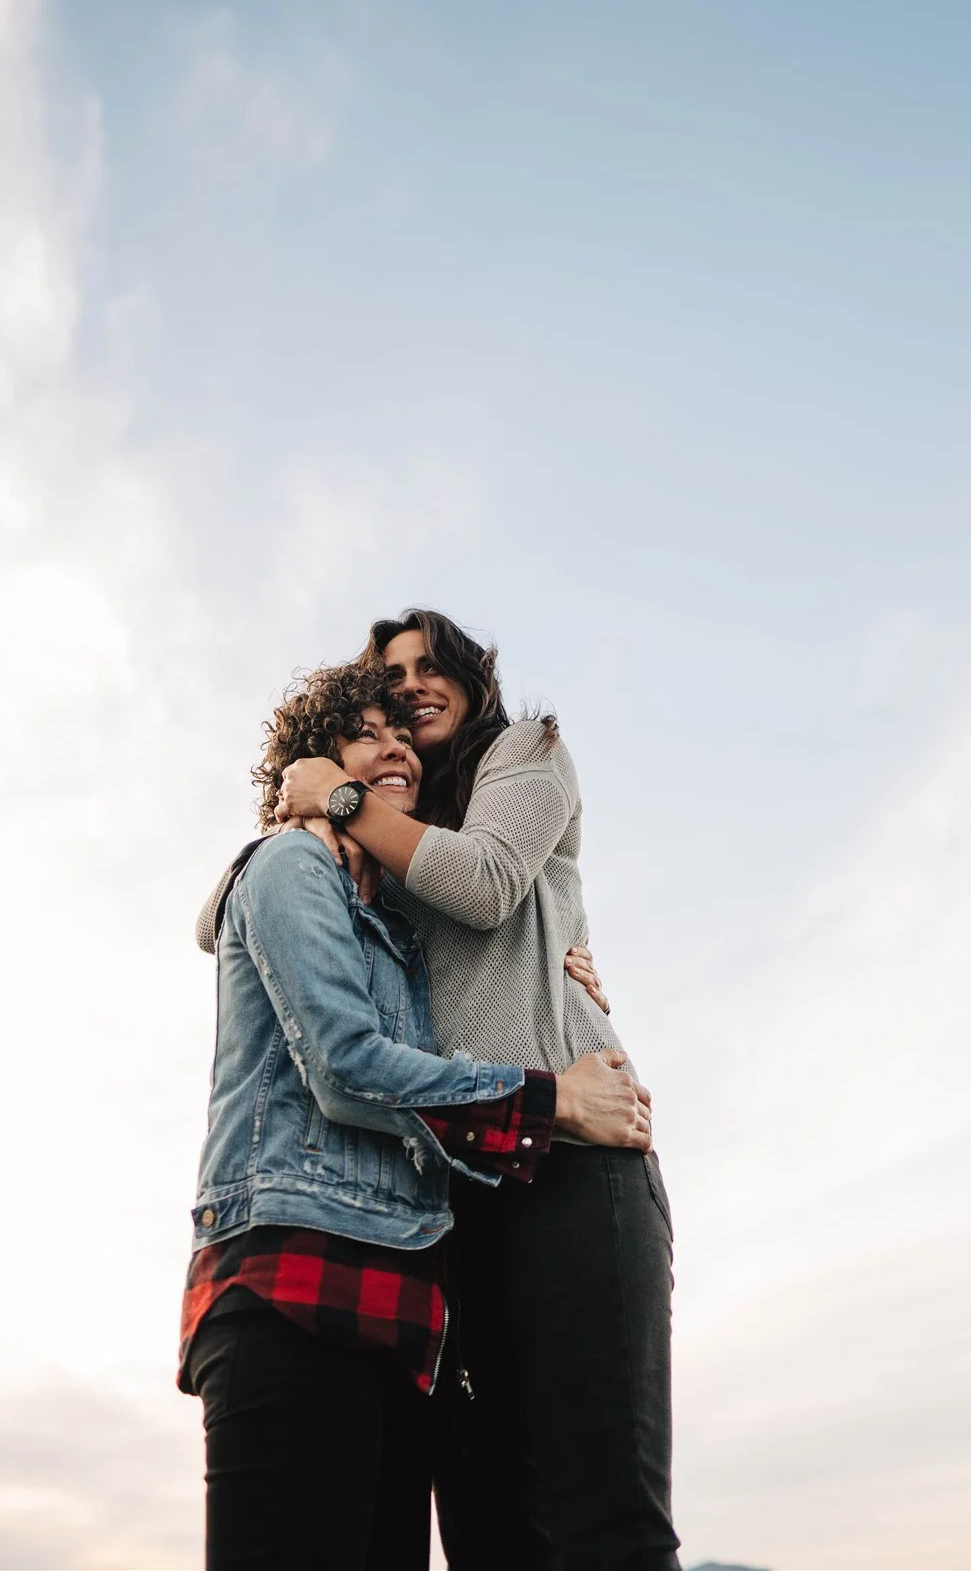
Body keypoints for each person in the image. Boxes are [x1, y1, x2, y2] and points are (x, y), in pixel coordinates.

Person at [183, 659, 649, 1571]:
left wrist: (571, 951)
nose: (397, 744)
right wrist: (552, 1102)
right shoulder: (288, 866)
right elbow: (348, 1069)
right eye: (369, 733)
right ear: (315, 766)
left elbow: (496, 904)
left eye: (404, 736)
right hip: (293, 1281)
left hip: (403, 1309)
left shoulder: (396, 929)